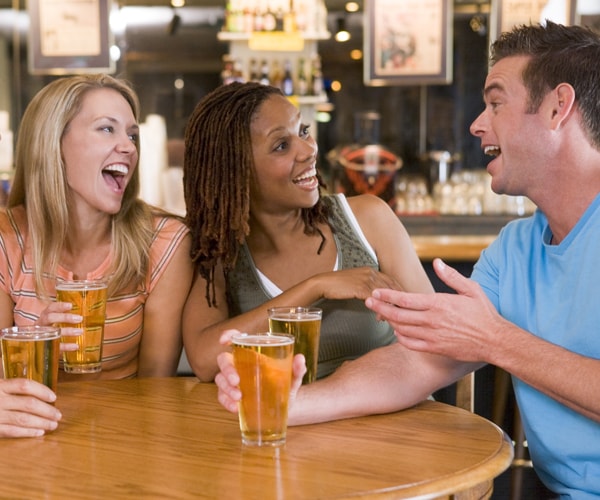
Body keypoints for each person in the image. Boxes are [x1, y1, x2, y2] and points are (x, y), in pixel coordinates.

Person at [215, 22, 600, 497]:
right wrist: (285, 406)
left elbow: (489, 341)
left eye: (496, 103)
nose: (477, 124)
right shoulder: (513, 249)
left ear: (558, 108)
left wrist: (498, 340)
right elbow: (414, 365)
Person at [182, 81, 433, 382]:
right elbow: (204, 359)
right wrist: (314, 288)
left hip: (400, 422)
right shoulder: (224, 254)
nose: (308, 150)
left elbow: (436, 338)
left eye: (302, 131)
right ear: (236, 171)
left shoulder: (368, 218)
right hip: (293, 426)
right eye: (281, 145)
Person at [0, 74, 193, 438]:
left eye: (132, 135)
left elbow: (156, 391)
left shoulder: (165, 242)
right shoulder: (5, 239)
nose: (129, 147)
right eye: (107, 130)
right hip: (30, 439)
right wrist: (37, 345)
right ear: (53, 143)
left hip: (125, 437)